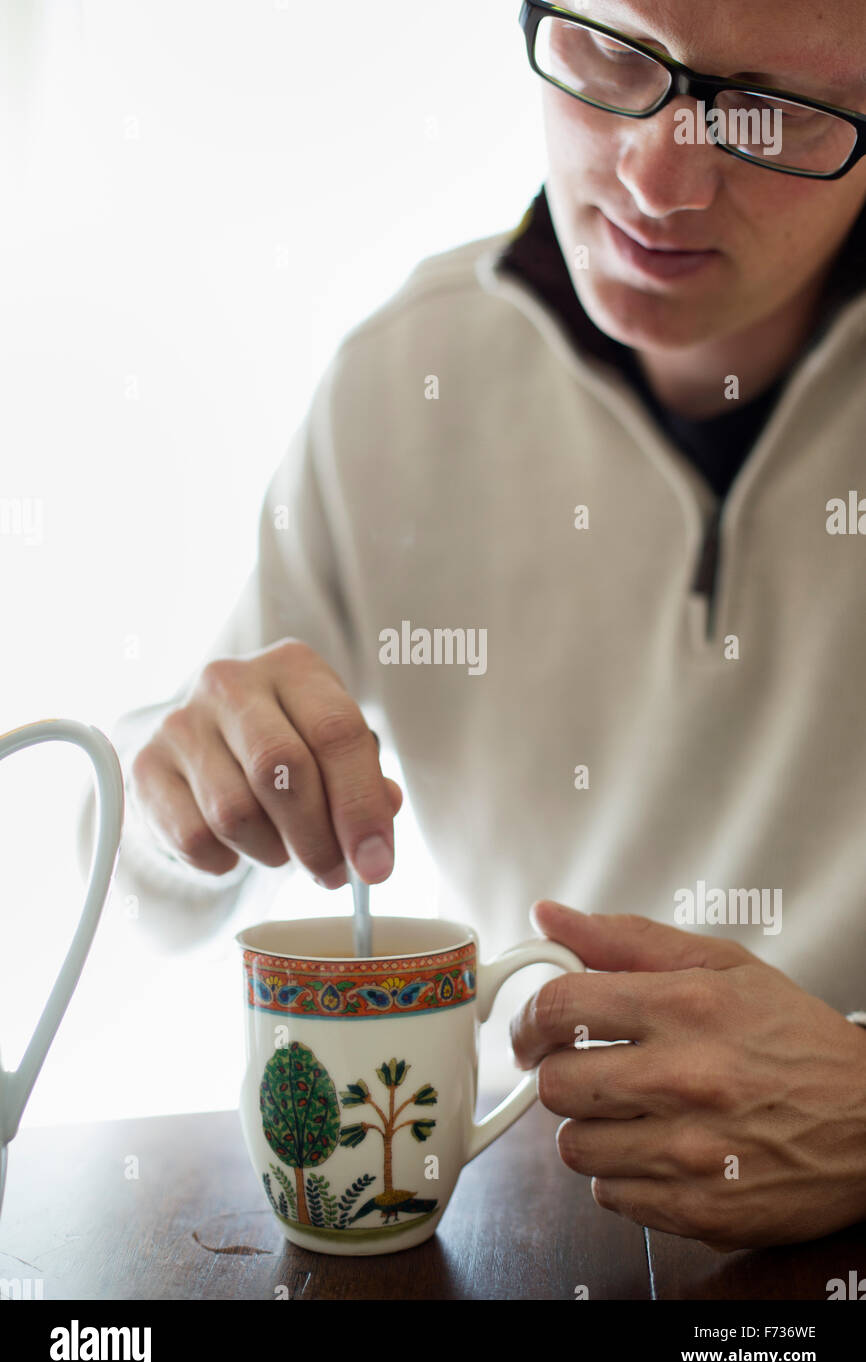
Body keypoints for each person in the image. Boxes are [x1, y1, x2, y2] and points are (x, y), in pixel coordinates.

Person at [78, 0, 866, 1253]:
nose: (657, 179)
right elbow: (136, 886)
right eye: (615, 51)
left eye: (769, 109)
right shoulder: (402, 380)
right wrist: (180, 795)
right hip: (535, 1220)